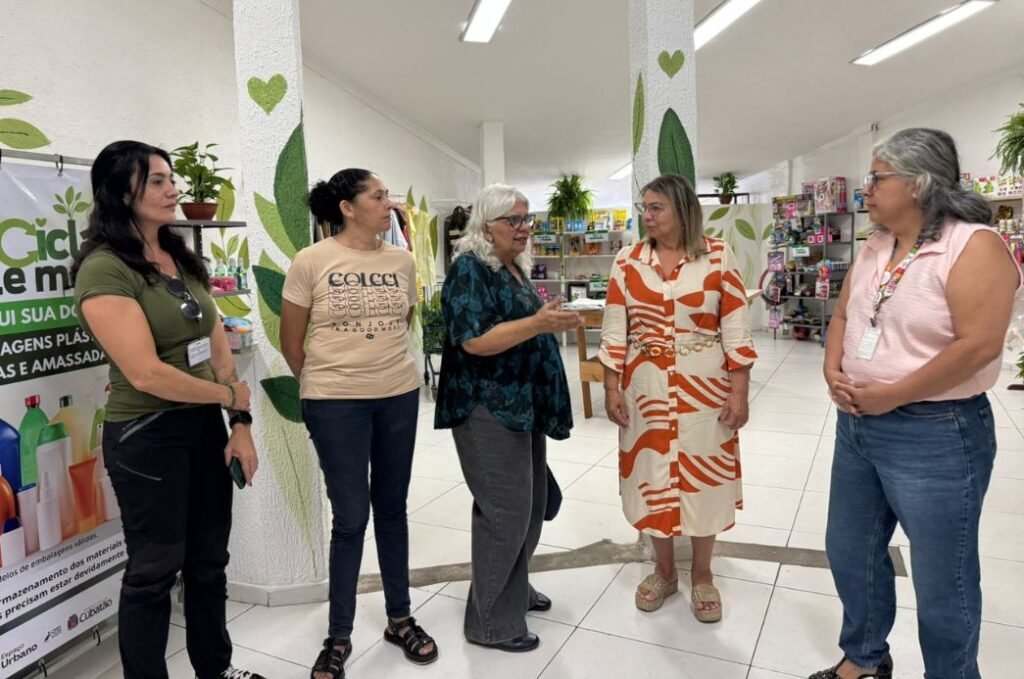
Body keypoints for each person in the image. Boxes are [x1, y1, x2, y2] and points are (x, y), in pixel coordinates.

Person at [812, 128, 1020, 679]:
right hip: (858, 427)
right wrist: (833, 369)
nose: (866, 189)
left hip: (936, 431)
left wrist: (892, 394)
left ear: (919, 183)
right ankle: (863, 658)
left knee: (941, 576)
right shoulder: (877, 244)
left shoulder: (973, 245)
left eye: (877, 177)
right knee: (850, 549)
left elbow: (978, 346)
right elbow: (844, 314)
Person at [71, 140, 261, 679]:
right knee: (154, 571)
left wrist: (239, 424)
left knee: (209, 562)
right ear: (120, 193)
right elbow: (146, 374)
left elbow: (217, 346)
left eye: (171, 178)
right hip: (146, 435)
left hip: (202, 425)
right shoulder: (104, 269)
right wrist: (229, 397)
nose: (173, 189)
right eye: (156, 180)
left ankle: (215, 669)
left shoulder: (179, 255)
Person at [280, 169, 437, 679]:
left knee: (392, 510)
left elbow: (403, 321)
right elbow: (291, 341)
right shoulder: (312, 260)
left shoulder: (402, 260)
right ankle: (339, 635)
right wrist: (328, 386)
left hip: (397, 396)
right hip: (334, 403)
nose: (389, 204)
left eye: (388, 195)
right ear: (347, 207)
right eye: (378, 195)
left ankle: (400, 619)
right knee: (350, 518)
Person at [599, 174, 757, 623]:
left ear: (682, 210)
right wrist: (611, 388)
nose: (647, 216)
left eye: (656, 207)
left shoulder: (718, 256)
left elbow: (736, 330)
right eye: (644, 207)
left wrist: (740, 393)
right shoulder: (627, 261)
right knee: (651, 473)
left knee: (705, 478)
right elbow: (614, 329)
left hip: (705, 387)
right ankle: (664, 570)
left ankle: (702, 573)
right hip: (645, 388)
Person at [434, 183, 579, 652]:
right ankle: (490, 623)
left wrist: (546, 320)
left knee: (531, 505)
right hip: (486, 406)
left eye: (526, 218)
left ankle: (513, 590)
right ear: (486, 225)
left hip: (520, 404)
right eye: (512, 220)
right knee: (505, 511)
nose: (523, 228)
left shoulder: (511, 266)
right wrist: (539, 323)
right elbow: (475, 341)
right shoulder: (469, 270)